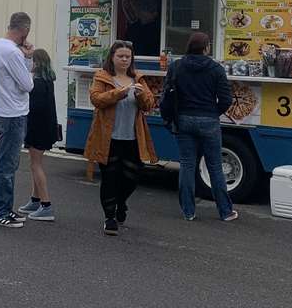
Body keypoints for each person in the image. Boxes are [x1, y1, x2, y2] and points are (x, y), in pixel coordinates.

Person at [86, 40, 158, 235]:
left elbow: (149, 104)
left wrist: (142, 96)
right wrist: (119, 93)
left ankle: (121, 202)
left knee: (132, 176)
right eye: (121, 56)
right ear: (112, 57)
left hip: (133, 137)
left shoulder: (138, 78)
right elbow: (96, 99)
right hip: (108, 138)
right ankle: (110, 217)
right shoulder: (102, 77)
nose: (125, 60)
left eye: (128, 56)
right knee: (109, 178)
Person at [167, 31, 238, 222]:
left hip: (183, 119)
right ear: (206, 47)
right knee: (214, 165)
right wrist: (213, 112)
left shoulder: (176, 66)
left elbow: (167, 93)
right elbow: (226, 99)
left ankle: (188, 211)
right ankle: (225, 211)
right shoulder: (216, 69)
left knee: (187, 164)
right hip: (209, 120)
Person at [0, 12, 35, 228]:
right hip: (13, 113)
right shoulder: (12, 52)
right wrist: (28, 58)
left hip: (1, 110)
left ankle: (4, 207)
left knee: (6, 163)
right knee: (7, 165)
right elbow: (28, 84)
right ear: (25, 30)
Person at [18, 48, 59, 222]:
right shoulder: (48, 80)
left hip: (37, 128)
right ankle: (35, 200)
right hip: (46, 127)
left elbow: (34, 108)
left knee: (35, 165)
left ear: (37, 63)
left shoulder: (38, 84)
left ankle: (46, 205)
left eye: (31, 61)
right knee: (35, 163)